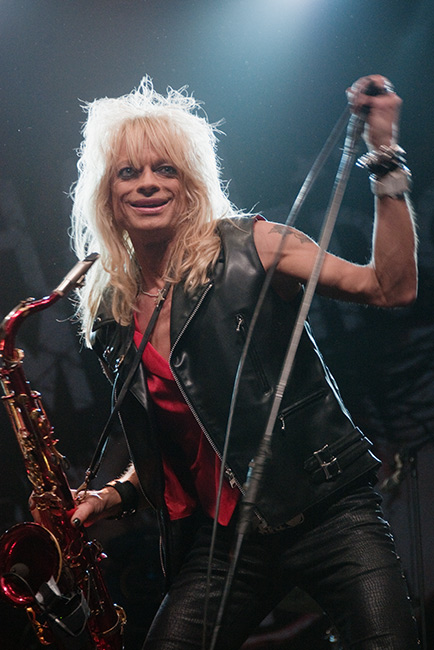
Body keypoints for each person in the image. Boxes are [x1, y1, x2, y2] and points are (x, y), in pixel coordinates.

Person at [66, 74, 419, 649]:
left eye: (166, 169)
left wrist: (384, 157)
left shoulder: (253, 245)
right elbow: (185, 440)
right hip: (226, 540)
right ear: (107, 194)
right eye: (128, 172)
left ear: (191, 183)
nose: (148, 183)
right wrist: (115, 495)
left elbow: (390, 287)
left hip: (329, 512)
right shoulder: (112, 313)